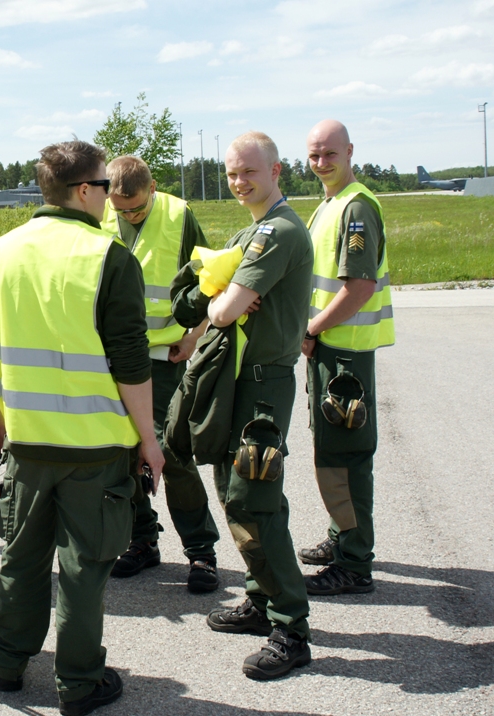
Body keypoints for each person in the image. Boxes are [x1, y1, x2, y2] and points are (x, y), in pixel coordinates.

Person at [0, 140, 165, 715]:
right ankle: (79, 682)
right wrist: (148, 440)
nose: (108, 197)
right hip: (96, 446)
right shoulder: (109, 258)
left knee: (22, 556)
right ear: (85, 190)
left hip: (26, 442)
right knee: (83, 566)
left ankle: (6, 660)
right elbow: (131, 362)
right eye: (104, 186)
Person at [203, 132, 314, 680]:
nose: (240, 181)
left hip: (263, 384)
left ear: (276, 171)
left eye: (250, 171)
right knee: (234, 491)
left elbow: (223, 311)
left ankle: (291, 626)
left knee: (256, 498)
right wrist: (227, 299)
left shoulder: (278, 231)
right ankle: (260, 597)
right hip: (239, 380)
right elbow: (223, 302)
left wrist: (226, 301)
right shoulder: (251, 229)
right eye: (231, 173)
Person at [100, 155, 221, 592]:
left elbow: (212, 279)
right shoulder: (102, 213)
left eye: (135, 207)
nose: (128, 215)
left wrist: (194, 335)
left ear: (151, 189)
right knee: (125, 451)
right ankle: (142, 540)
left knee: (171, 453)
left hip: (164, 359)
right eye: (120, 209)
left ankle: (201, 552)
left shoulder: (177, 214)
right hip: (114, 359)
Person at [299, 119, 394, 595]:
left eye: (329, 154)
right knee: (331, 449)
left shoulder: (356, 208)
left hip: (345, 354)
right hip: (330, 348)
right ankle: (342, 536)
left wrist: (311, 328)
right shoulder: (328, 205)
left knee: (347, 456)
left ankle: (354, 564)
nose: (321, 163)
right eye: (314, 155)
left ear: (350, 151)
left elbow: (358, 288)